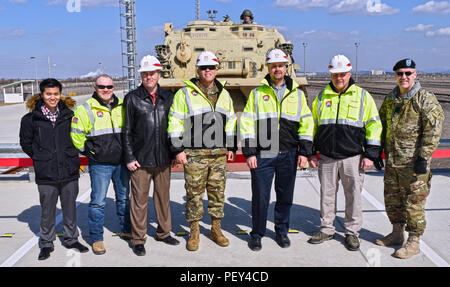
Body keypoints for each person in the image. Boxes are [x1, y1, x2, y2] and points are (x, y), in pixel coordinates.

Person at [240, 49, 314, 251]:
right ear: (268, 68)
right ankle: (257, 234)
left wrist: (304, 152)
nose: (277, 68)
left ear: (285, 67)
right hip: (264, 154)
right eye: (273, 65)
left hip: (288, 153)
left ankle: (281, 232)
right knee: (260, 198)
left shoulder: (297, 95)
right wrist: (250, 153)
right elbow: (246, 123)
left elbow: (306, 123)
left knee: (284, 197)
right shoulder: (258, 94)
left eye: (280, 65)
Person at [307, 54, 382, 251]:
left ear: (349, 74)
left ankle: (352, 232)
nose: (339, 78)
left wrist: (371, 154)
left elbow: (374, 125)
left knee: (354, 196)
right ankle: (326, 229)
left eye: (342, 74)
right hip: (327, 157)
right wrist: (311, 151)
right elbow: (313, 125)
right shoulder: (322, 97)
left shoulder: (362, 96)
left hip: (353, 157)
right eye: (335, 74)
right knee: (327, 195)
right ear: (330, 74)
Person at [168, 51, 237, 251]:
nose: (208, 71)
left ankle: (216, 229)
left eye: (211, 67)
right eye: (204, 68)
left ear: (216, 70)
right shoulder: (185, 93)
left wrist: (231, 146)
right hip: (194, 153)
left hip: (218, 154)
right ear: (197, 70)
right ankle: (194, 232)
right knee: (194, 194)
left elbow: (231, 121)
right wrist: (178, 149)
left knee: (217, 193)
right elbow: (174, 122)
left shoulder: (224, 94)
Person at [375, 59, 444, 259]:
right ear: (395, 76)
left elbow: (434, 130)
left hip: (414, 165)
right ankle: (397, 233)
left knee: (414, 204)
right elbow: (382, 125)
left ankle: (414, 241)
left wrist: (424, 156)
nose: (404, 77)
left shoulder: (425, 99)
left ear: (415, 74)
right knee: (393, 200)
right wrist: (378, 150)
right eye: (400, 73)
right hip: (393, 162)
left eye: (408, 73)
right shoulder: (391, 99)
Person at [20, 79, 89, 260]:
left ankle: (71, 239)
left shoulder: (69, 115)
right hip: (46, 173)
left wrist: (69, 155)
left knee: (70, 209)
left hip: (69, 171)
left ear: (60, 94)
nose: (52, 97)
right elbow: (26, 143)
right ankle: (46, 243)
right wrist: (41, 157)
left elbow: (77, 136)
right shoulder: (30, 119)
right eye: (48, 94)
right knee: (47, 211)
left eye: (56, 94)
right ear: (42, 95)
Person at [122, 55, 180, 256]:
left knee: (163, 198)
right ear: (141, 75)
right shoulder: (132, 98)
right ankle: (138, 239)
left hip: (163, 158)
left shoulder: (169, 97)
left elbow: (174, 127)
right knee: (139, 201)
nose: (148, 77)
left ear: (158, 74)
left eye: (152, 73)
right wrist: (129, 157)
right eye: (145, 73)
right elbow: (127, 130)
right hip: (140, 160)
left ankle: (164, 233)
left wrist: (174, 151)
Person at [70, 74, 131, 255]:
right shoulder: (85, 109)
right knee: (98, 202)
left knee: (124, 198)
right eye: (102, 87)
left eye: (109, 87)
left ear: (114, 88)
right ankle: (97, 238)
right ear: (95, 88)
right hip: (100, 165)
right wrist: (90, 152)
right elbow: (76, 134)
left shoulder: (122, 107)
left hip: (121, 162)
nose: (106, 90)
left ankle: (127, 229)